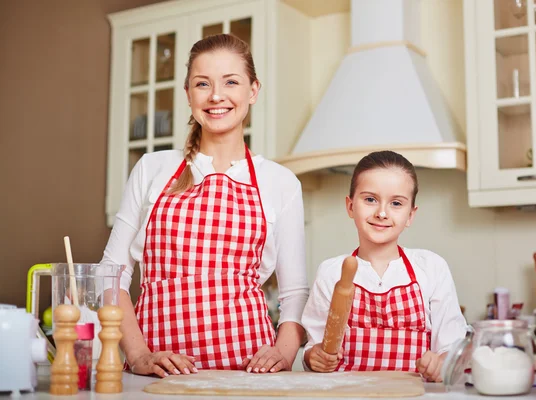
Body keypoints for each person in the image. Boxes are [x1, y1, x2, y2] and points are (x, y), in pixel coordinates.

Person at [101, 34, 308, 378]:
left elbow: (295, 292)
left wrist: (283, 354)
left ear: (253, 91)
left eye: (231, 81)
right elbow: (111, 275)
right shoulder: (153, 169)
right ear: (188, 94)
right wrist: (139, 356)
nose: (216, 96)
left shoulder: (281, 182)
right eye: (202, 83)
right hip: (158, 375)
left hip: (250, 374)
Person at [301, 151, 466, 381]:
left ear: (410, 215)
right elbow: (313, 347)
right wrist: (314, 357)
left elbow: (452, 350)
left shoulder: (431, 268)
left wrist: (442, 363)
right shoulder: (331, 273)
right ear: (350, 206)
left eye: (396, 203)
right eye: (370, 199)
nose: (381, 213)